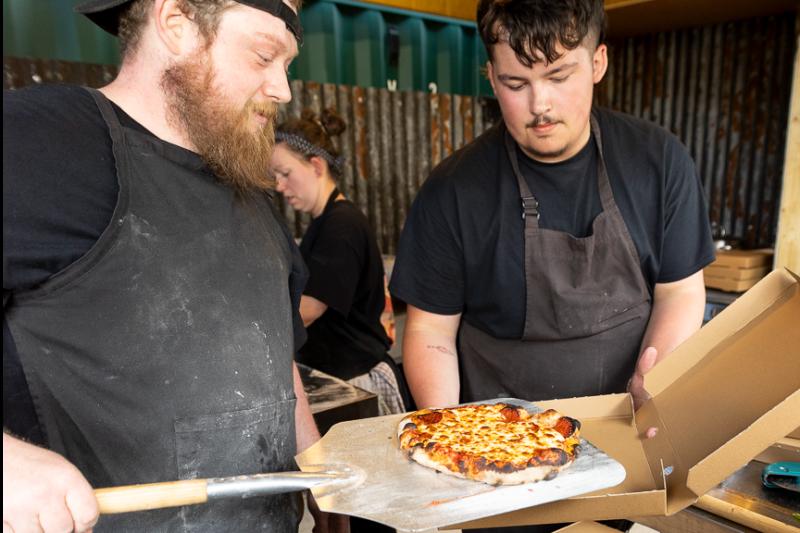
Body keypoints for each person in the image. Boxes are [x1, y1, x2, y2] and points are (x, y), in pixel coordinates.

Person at [3, 1, 347, 531]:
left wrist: (320, 478)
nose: (283, 89)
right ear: (177, 23)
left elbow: (276, 361)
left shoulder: (248, 192)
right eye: (263, 55)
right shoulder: (43, 143)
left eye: (288, 65)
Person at [390, 0, 715, 529]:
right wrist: (449, 439)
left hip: (621, 448)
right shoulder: (453, 190)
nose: (540, 104)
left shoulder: (658, 161)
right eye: (516, 83)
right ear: (490, 77)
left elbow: (680, 292)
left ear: (598, 63)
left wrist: (655, 376)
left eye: (559, 75)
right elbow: (429, 333)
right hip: (493, 462)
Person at [271, 108, 412, 417]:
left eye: (285, 173)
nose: (279, 186)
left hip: (357, 383)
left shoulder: (342, 226)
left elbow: (308, 311)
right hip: (341, 378)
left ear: (316, 166)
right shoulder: (323, 222)